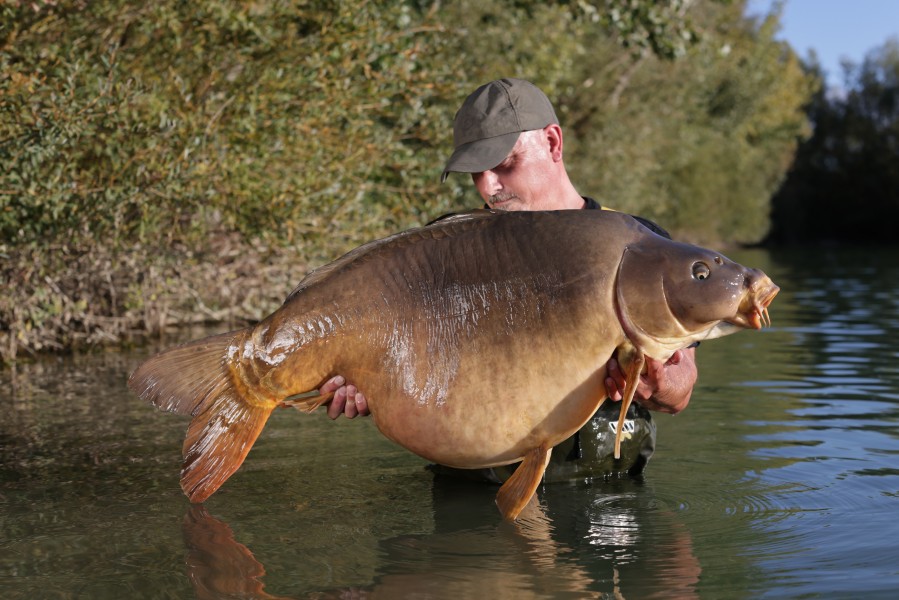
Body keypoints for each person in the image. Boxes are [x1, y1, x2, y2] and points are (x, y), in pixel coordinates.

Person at [318, 78, 697, 481]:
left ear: (552, 142)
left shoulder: (638, 244)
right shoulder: (445, 250)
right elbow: (398, 368)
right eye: (475, 173)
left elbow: (681, 391)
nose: (488, 187)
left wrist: (655, 379)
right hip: (472, 499)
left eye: (504, 164)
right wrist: (363, 383)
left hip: (610, 501)